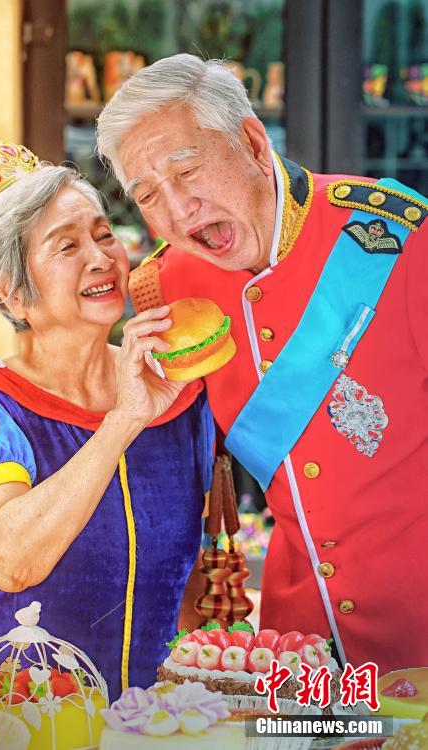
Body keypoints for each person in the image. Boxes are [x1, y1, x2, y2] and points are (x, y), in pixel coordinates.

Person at [97, 54, 428, 674]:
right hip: (299, 655)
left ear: (251, 141)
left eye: (188, 169)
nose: (177, 210)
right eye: (147, 196)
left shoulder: (396, 239)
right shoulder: (161, 291)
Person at [0, 141, 214, 715]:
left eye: (105, 235)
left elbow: (186, 575)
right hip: (5, 721)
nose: (101, 258)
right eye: (67, 246)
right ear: (11, 291)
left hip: (150, 720)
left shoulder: (177, 392)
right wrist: (124, 420)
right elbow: (12, 561)